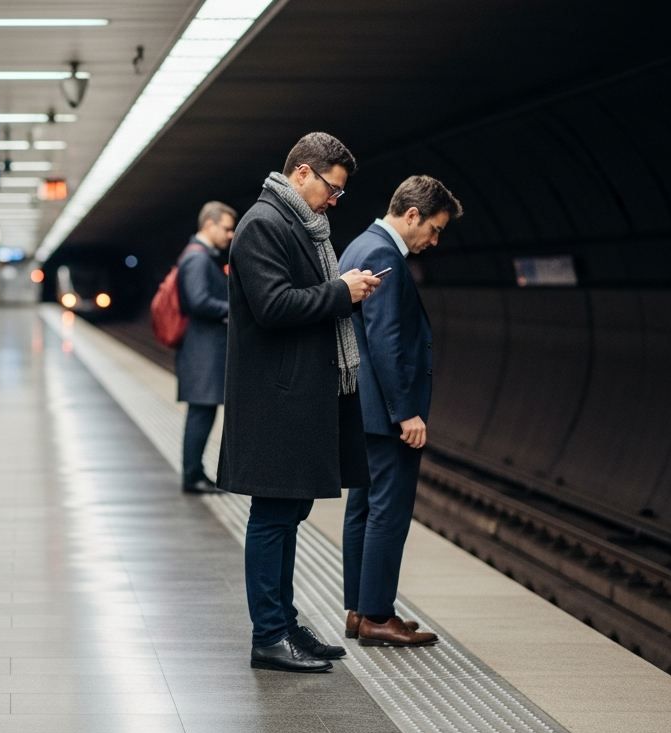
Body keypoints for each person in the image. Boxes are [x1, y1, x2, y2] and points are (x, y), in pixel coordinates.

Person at [217, 132, 381, 673]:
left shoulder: (302, 226)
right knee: (272, 517)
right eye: (331, 189)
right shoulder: (264, 224)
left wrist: (341, 288)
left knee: (290, 513)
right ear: (303, 173)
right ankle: (268, 635)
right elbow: (272, 305)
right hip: (275, 398)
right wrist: (342, 292)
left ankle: (284, 623)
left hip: (296, 395)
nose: (334, 201)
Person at [338, 176, 462, 647]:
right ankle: (375, 616)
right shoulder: (384, 255)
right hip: (384, 412)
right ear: (411, 215)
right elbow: (385, 340)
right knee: (387, 511)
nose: (433, 239)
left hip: (361, 406)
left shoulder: (358, 246)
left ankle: (360, 609)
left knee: (363, 508)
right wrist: (406, 412)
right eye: (433, 228)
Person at [176, 201, 237, 494]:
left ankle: (196, 472)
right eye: (226, 228)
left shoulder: (201, 256)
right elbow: (198, 300)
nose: (230, 235)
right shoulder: (197, 259)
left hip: (204, 350)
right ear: (209, 225)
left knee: (203, 412)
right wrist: (234, 309)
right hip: (202, 352)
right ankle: (192, 476)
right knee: (201, 413)